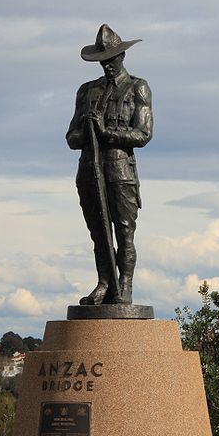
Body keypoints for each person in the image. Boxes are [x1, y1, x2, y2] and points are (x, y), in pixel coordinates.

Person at [66, 24, 153, 305]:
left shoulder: (137, 87)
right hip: (90, 170)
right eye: (103, 61)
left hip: (120, 171)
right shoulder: (86, 92)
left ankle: (123, 287)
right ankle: (104, 283)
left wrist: (107, 133)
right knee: (100, 232)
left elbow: (143, 134)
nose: (108, 66)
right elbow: (71, 137)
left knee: (124, 230)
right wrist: (87, 132)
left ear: (122, 57)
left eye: (112, 59)